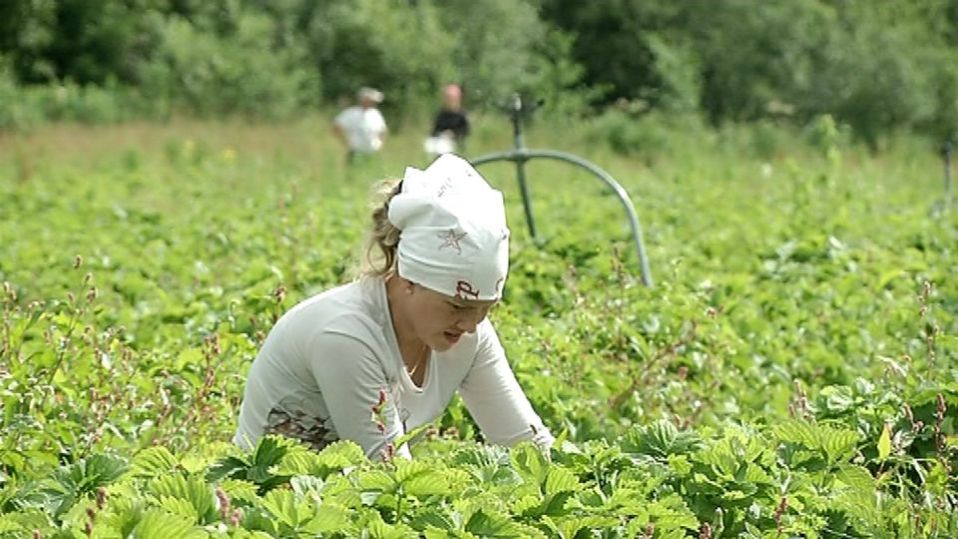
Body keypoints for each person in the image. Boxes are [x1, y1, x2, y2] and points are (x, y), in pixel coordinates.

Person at [234, 154, 553, 459]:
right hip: (263, 503)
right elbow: (388, 476)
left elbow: (527, 445)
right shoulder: (345, 335)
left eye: (486, 308)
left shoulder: (470, 334)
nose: (471, 325)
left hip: (343, 497)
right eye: (457, 306)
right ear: (408, 278)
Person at [333, 87, 388, 163]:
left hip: (372, 151)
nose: (373, 103)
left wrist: (380, 143)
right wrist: (345, 142)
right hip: (356, 151)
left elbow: (383, 130)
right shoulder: (351, 113)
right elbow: (336, 127)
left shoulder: (376, 114)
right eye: (371, 101)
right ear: (364, 100)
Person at [424, 84, 470, 156]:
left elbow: (465, 131)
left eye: (452, 98)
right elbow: (435, 130)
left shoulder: (462, 115)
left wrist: (453, 134)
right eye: (448, 98)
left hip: (454, 142)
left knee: (443, 147)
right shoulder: (441, 114)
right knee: (430, 145)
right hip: (440, 139)